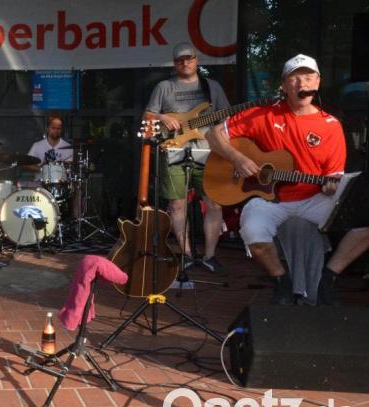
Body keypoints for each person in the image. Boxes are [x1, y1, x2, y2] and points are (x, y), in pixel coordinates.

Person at [206, 53, 346, 305]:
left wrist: (329, 186)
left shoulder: (331, 125)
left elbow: (333, 176)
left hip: (314, 198)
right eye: (295, 78)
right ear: (284, 85)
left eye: (308, 77)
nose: (302, 83)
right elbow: (213, 134)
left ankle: (328, 276)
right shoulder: (262, 115)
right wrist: (238, 159)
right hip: (271, 200)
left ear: (318, 82)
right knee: (252, 231)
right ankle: (281, 281)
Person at [144, 42, 229, 274]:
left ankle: (210, 256)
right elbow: (147, 115)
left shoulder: (212, 87)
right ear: (174, 63)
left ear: (196, 59)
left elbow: (224, 120)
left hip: (207, 149)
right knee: (177, 204)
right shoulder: (164, 86)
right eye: (180, 59)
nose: (185, 62)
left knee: (214, 202)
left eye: (189, 58)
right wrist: (162, 117)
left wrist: (226, 147)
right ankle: (187, 254)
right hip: (173, 148)